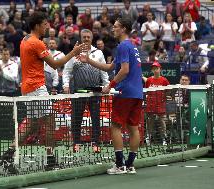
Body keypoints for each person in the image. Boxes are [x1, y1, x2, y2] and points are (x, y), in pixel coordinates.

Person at [0, 11, 84, 172]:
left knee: (31, 123)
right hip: (37, 88)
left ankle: (7, 156)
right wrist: (74, 52)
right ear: (37, 25)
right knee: (50, 121)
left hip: (28, 87)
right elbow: (55, 64)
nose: (47, 27)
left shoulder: (24, 40)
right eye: (45, 24)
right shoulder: (37, 43)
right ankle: (50, 160)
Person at [78, 18, 143, 174]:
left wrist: (110, 85)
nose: (113, 29)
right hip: (137, 93)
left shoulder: (122, 46)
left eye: (115, 27)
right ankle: (130, 165)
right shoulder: (132, 47)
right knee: (133, 128)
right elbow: (110, 66)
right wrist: (88, 60)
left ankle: (120, 165)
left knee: (115, 126)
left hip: (124, 92)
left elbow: (125, 70)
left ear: (123, 29)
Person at [63, 29, 110, 153]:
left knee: (95, 118)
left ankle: (95, 143)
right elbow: (67, 71)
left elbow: (103, 71)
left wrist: (107, 85)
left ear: (92, 38)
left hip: (95, 90)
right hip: (79, 90)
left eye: (88, 37)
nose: (86, 39)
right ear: (81, 37)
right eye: (84, 37)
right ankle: (76, 143)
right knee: (76, 118)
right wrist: (66, 84)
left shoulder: (98, 53)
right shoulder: (74, 53)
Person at [144, 61, 170, 146]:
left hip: (160, 104)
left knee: (161, 120)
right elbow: (146, 91)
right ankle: (148, 137)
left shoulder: (164, 80)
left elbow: (168, 91)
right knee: (150, 120)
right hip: (151, 104)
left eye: (157, 68)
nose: (155, 70)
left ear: (160, 69)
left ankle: (164, 138)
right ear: (152, 70)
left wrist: (163, 98)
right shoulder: (149, 80)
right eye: (154, 69)